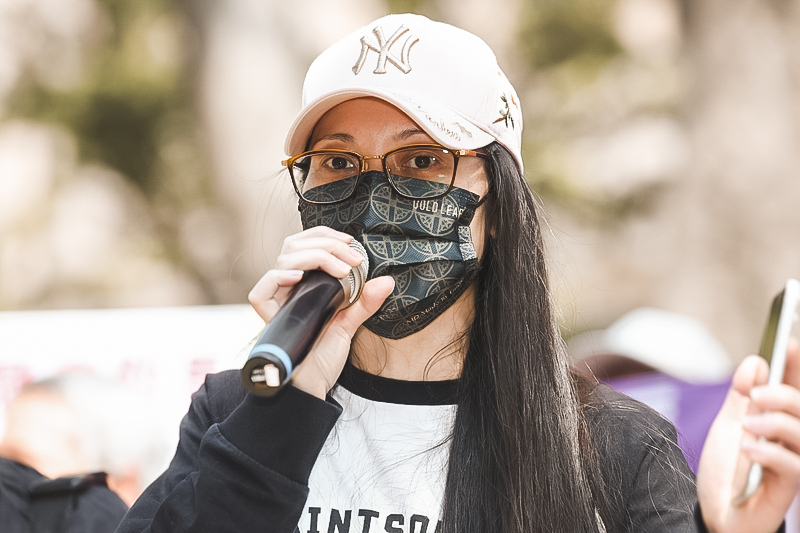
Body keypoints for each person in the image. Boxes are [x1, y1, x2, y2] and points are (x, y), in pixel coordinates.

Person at [116, 13, 800, 533]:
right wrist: (281, 415)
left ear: (498, 206)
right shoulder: (234, 414)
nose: (375, 196)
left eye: (421, 161)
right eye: (338, 162)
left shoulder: (611, 447)